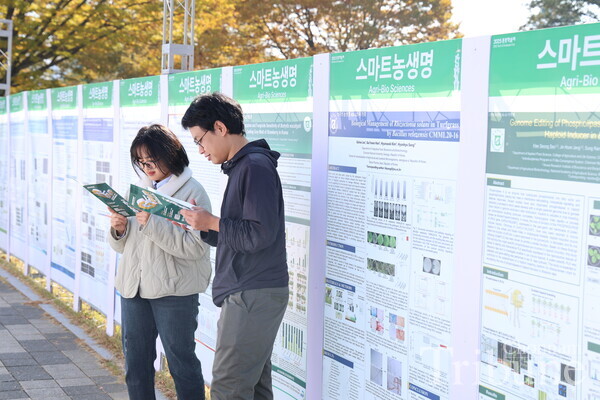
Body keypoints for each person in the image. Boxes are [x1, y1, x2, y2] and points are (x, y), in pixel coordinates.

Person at [179, 93, 289, 400]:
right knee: (253, 388)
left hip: (252, 290)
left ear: (220, 127)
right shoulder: (245, 166)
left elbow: (259, 234)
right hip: (252, 289)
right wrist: (200, 225)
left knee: (229, 387)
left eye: (200, 140)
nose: (200, 150)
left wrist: (213, 222)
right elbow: (241, 236)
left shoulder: (253, 166)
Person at [107, 124, 211, 400]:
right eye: (140, 161)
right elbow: (124, 246)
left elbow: (195, 248)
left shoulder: (193, 192)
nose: (146, 166)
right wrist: (118, 229)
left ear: (170, 154)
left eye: (151, 159)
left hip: (174, 292)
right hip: (134, 288)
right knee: (136, 363)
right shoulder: (139, 190)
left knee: (181, 363)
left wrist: (152, 224)